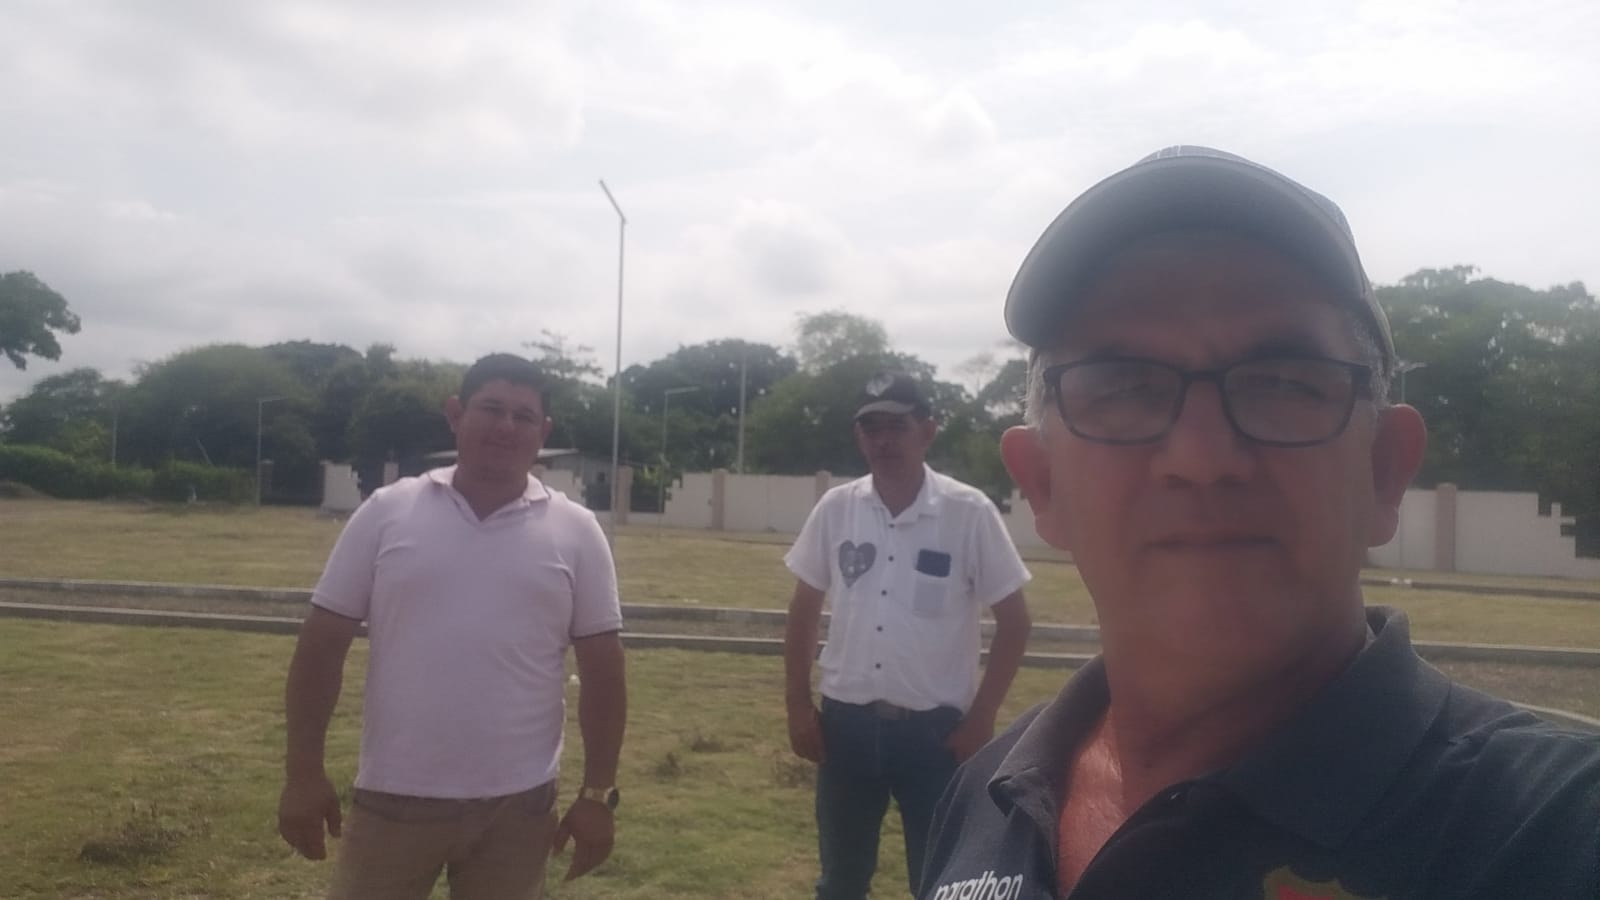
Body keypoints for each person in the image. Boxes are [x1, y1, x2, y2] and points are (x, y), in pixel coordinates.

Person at [918, 146, 1600, 900]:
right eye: (1123, 388)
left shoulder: (1553, 832)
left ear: (1384, 470)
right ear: (1042, 484)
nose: (1203, 457)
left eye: (1282, 384)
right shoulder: (985, 796)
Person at [277, 353, 627, 900]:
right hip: (394, 794)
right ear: (455, 414)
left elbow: (603, 671)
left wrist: (597, 795)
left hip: (519, 805)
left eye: (523, 416)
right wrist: (303, 773)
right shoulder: (387, 512)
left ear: (543, 432)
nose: (506, 426)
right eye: (491, 408)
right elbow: (322, 645)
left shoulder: (576, 531)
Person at [785, 371, 1033, 900]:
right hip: (845, 729)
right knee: (840, 879)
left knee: (940, 879)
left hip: (936, 737)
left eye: (897, 426)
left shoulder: (968, 512)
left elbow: (1015, 621)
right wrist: (798, 706)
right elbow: (804, 609)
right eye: (871, 427)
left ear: (928, 431)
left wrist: (982, 718)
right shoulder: (837, 509)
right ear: (858, 436)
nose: (883, 440)